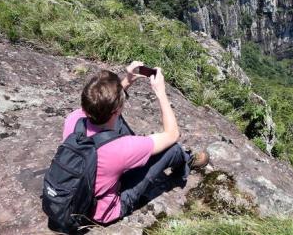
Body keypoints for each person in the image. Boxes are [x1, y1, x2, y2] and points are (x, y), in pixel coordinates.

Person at [61, 61, 209, 224]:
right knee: (172, 149)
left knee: (117, 123)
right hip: (102, 210)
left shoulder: (75, 118)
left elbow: (103, 105)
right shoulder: (123, 148)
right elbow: (173, 134)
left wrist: (128, 80)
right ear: (116, 109)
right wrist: (161, 93)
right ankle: (187, 162)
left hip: (78, 187)